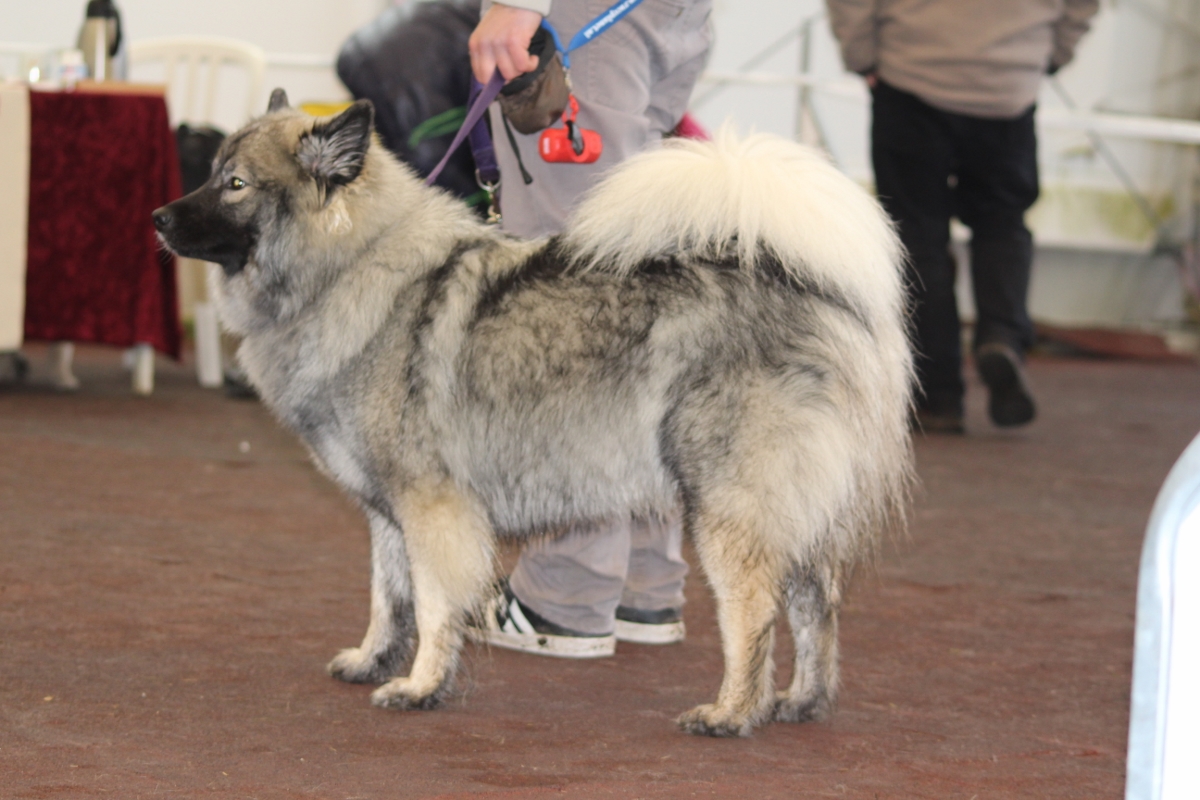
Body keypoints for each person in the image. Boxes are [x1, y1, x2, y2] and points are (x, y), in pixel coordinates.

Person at [463, 0, 713, 656]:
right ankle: (641, 581)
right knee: (630, 300)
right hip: (660, 17)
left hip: (584, 19)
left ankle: (567, 590)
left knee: (566, 310)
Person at [826, 0, 1099, 433]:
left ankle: (938, 395)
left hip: (911, 72)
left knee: (917, 236)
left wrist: (862, 56)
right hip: (1008, 86)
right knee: (1002, 223)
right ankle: (1002, 338)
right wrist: (1049, 54)